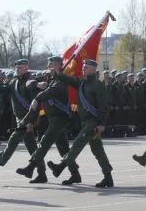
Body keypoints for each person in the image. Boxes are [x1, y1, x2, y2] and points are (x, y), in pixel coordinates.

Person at [47, 59, 114, 188]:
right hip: (85, 122)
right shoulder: (82, 83)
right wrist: (57, 73)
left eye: (86, 67)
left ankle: (61, 166)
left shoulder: (98, 85)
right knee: (98, 151)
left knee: (77, 143)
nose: (83, 69)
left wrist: (102, 124)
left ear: (94, 70)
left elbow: (105, 106)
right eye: (83, 67)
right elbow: (69, 80)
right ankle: (108, 177)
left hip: (93, 123)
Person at [15, 56, 81, 184]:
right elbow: (29, 82)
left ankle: (30, 167)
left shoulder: (60, 80)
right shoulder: (47, 78)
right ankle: (75, 174)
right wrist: (37, 83)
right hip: (52, 118)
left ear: (59, 66)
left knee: (44, 142)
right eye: (48, 64)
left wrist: (37, 98)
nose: (49, 67)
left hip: (60, 118)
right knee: (63, 149)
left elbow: (51, 91)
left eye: (52, 65)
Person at [0, 60, 47, 179]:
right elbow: (4, 89)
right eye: (16, 68)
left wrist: (31, 121)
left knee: (13, 140)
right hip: (19, 118)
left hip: (27, 119)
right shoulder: (14, 82)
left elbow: (35, 104)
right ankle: (41, 173)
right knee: (32, 146)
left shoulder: (30, 82)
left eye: (20, 68)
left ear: (27, 68)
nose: (17, 69)